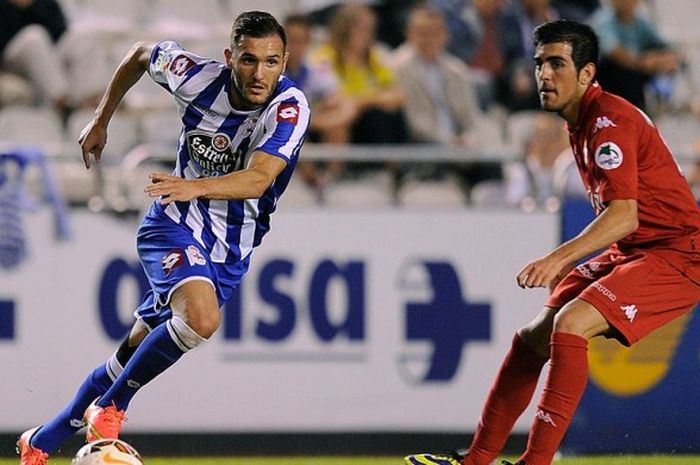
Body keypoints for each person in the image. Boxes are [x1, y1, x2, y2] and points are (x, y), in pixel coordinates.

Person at [17, 10, 310, 465]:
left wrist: (196, 185)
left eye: (272, 62)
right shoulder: (195, 76)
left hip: (230, 248)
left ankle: (41, 441)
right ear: (230, 56)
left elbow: (259, 179)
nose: (259, 73)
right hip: (173, 222)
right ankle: (111, 409)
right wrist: (100, 119)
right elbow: (138, 55)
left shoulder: (290, 107)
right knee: (202, 319)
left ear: (284, 60)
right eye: (249, 60)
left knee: (132, 352)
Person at [405, 19, 700, 465]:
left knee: (571, 324)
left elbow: (624, 214)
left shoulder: (608, 122)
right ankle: (477, 460)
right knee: (531, 339)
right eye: (541, 63)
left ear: (587, 74)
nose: (545, 75)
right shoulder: (579, 123)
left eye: (557, 64)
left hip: (678, 255)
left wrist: (558, 257)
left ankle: (535, 462)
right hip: (636, 251)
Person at [590, 0, 682, 112]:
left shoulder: (640, 22)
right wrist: (644, 63)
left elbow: (664, 46)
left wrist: (661, 60)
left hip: (635, 76)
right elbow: (615, 52)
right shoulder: (604, 21)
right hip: (606, 78)